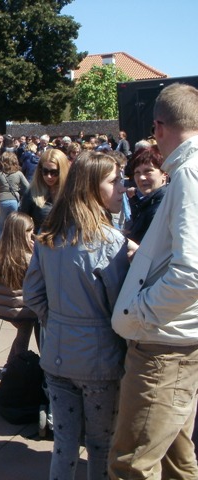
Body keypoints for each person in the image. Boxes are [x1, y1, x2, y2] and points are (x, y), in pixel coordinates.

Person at [23, 152, 133, 480]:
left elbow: (33, 294)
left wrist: (55, 320)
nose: (122, 188)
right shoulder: (111, 243)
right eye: (114, 181)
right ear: (91, 188)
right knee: (100, 443)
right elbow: (122, 311)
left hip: (58, 354)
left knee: (65, 442)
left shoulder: (50, 237)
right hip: (99, 360)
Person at [109, 83, 198, 479]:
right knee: (177, 459)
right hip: (174, 341)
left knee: (131, 464)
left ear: (158, 127)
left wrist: (142, 313)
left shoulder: (188, 174)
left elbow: (192, 270)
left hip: (164, 347)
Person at [0, 212, 37, 370]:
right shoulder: (28, 258)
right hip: (22, 308)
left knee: (22, 332)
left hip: (0, 306)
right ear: (19, 233)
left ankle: (9, 365)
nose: (32, 235)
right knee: (24, 335)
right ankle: (15, 369)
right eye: (29, 231)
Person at [123, 145, 167, 244]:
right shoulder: (148, 202)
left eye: (148, 171)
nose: (141, 178)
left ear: (164, 174)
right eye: (137, 172)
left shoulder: (160, 208)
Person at [19, 148, 69, 234]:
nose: (49, 176)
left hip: (66, 244)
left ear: (62, 171)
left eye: (54, 172)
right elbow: (22, 221)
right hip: (41, 243)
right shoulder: (32, 192)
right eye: (45, 171)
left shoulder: (71, 192)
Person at [0, 151, 29, 240]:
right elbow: (28, 187)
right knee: (14, 226)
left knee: (1, 226)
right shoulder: (18, 174)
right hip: (14, 201)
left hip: (1, 201)